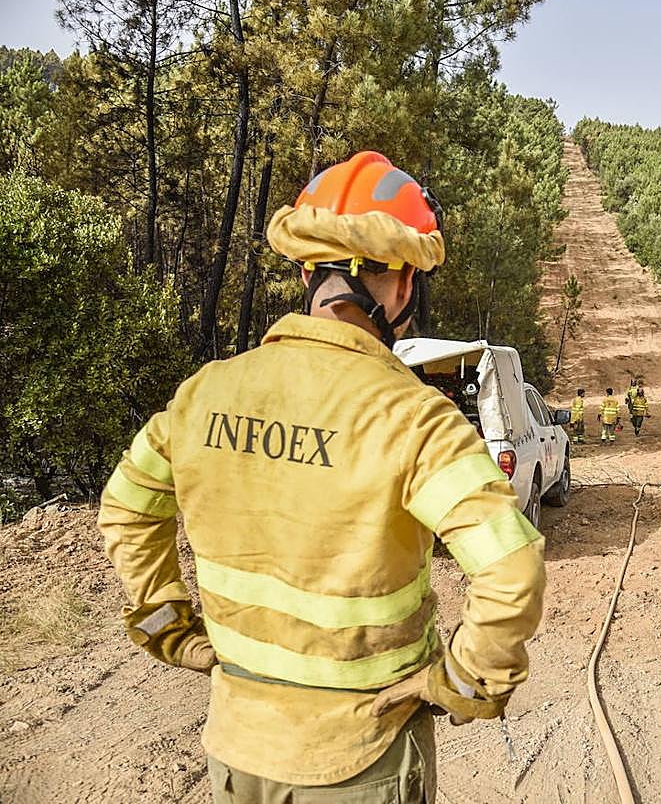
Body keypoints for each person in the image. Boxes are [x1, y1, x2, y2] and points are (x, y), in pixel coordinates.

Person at [95, 151, 545, 804]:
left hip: (237, 749)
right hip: (362, 759)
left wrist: (170, 625)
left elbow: (127, 509)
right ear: (400, 283)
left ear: (308, 272)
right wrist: (471, 680)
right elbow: (511, 568)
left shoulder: (204, 394)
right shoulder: (413, 418)